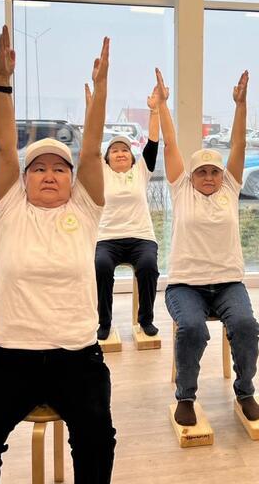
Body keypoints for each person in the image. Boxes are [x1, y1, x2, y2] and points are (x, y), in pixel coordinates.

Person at [0, 28, 116, 484]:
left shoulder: (85, 209)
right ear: (24, 179)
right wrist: (3, 80)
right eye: (39, 168)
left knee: (97, 441)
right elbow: (5, 147)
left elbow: (92, 150)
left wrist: (101, 90)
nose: (49, 175)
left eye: (59, 169)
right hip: (13, 355)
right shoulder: (8, 210)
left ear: (72, 179)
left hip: (77, 355)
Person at [157, 67, 259, 427]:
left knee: (246, 325)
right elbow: (170, 144)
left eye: (214, 172)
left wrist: (241, 105)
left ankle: (245, 391)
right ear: (191, 175)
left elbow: (239, 145)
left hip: (228, 283)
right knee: (191, 328)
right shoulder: (180, 190)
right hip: (185, 285)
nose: (208, 177)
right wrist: (163, 105)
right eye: (201, 172)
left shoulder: (230, 189)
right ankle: (186, 396)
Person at [93, 84, 161, 340]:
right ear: (107, 158)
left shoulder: (141, 171)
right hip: (107, 238)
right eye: (114, 150)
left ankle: (146, 319)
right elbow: (91, 148)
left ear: (132, 157)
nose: (120, 153)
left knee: (148, 266)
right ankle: (104, 322)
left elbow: (153, 142)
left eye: (125, 150)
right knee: (100, 266)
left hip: (141, 237)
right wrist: (93, 110)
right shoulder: (102, 173)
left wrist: (154, 111)